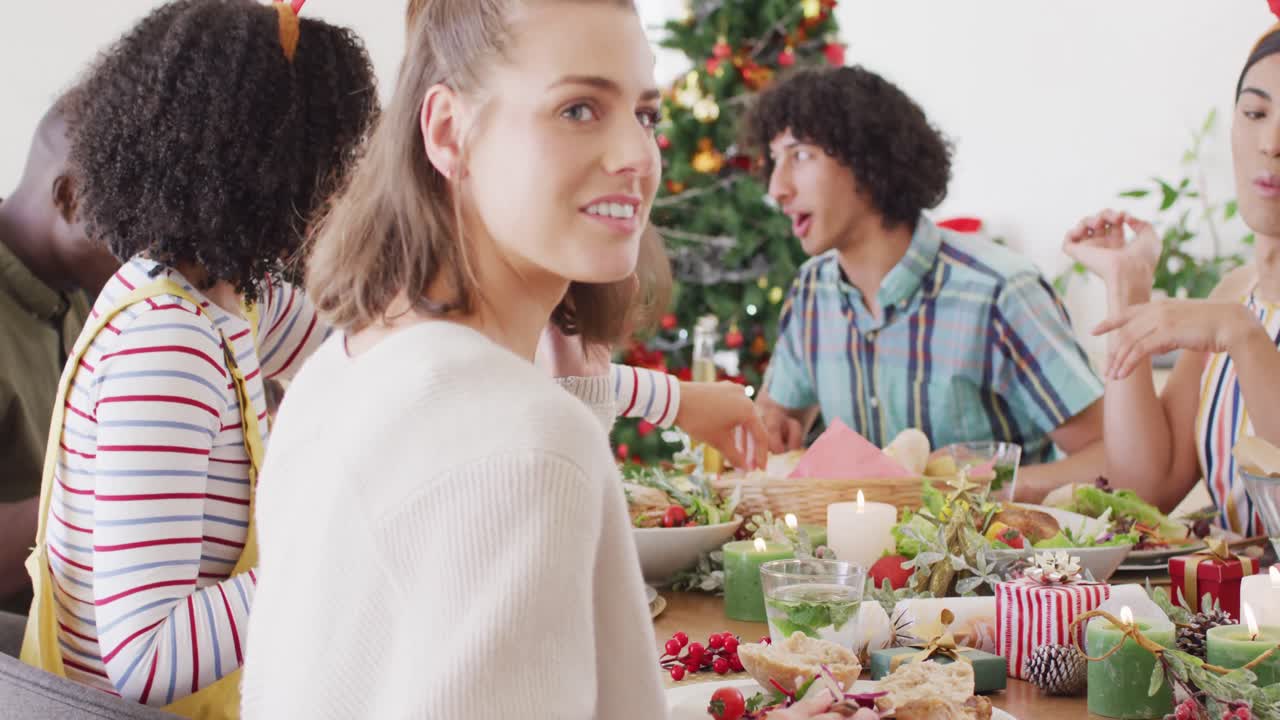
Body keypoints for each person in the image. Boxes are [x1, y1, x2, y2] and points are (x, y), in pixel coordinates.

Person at [239, 2, 836, 718]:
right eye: (578, 109)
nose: (637, 156)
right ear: (448, 132)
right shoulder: (528, 443)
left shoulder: (336, 374)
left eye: (643, 113)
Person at [20, 1, 378, 715]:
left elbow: (373, 354)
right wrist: (343, 544)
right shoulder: (167, 346)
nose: (351, 190)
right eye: (340, 162)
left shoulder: (227, 294)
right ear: (277, 171)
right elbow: (147, 660)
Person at [742, 66, 1105, 501]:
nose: (776, 187)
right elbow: (779, 416)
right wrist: (771, 425)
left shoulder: (997, 293)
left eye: (800, 155)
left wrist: (988, 489)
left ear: (866, 159)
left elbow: (1108, 455)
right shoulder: (811, 292)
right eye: (775, 159)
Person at [1064, 22, 1280, 535]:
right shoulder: (1235, 293)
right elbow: (1149, 484)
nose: (1272, 142)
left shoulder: (1234, 319)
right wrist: (1127, 285)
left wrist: (1244, 337)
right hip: (1241, 616)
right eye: (1255, 113)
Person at [0, 89, 119, 615]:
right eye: (133, 225)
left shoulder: (81, 299)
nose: (152, 248)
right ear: (69, 197)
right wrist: (114, 485)